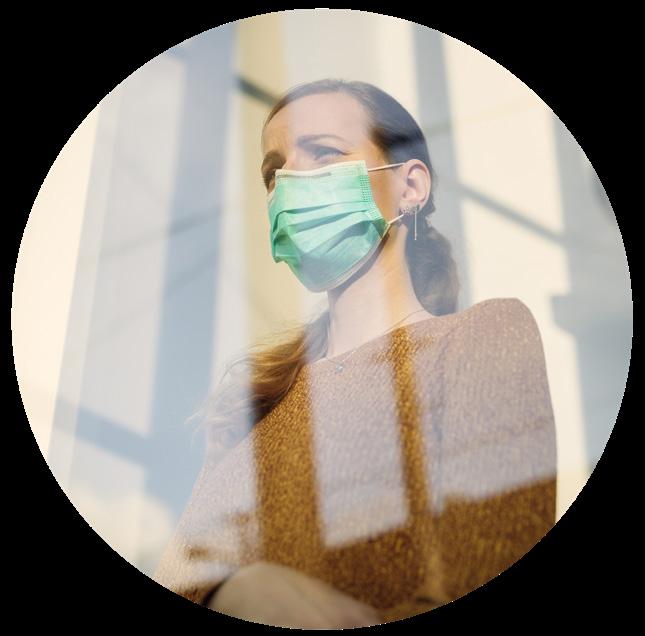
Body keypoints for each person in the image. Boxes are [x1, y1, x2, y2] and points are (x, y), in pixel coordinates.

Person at [151, 79, 558, 628]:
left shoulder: (478, 337)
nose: (290, 183)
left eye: (323, 153)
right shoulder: (256, 403)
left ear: (410, 186)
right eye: (274, 171)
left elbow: (491, 557)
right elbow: (184, 577)